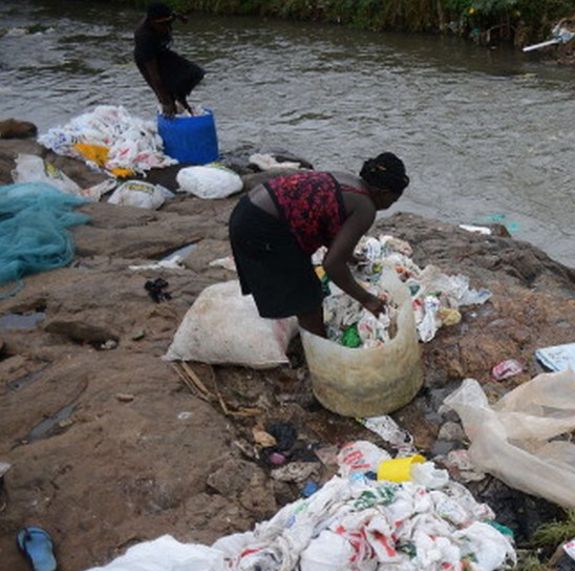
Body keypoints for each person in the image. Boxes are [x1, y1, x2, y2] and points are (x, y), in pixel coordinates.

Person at [228, 152, 409, 337]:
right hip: (262, 227)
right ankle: (320, 350)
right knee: (308, 300)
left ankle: (311, 336)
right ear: (383, 193)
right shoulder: (366, 207)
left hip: (247, 210)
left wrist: (349, 256)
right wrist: (367, 299)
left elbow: (323, 217)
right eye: (392, 200)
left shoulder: (349, 182)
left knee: (303, 287)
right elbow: (331, 264)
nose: (390, 205)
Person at [134, 2, 204, 117]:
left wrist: (182, 18)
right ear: (152, 23)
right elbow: (154, 77)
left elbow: (173, 15)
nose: (166, 28)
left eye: (168, 23)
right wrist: (165, 101)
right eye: (162, 25)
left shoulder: (165, 17)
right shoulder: (144, 37)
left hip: (162, 51)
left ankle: (187, 110)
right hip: (147, 60)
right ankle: (172, 116)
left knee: (193, 74)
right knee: (166, 94)